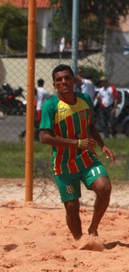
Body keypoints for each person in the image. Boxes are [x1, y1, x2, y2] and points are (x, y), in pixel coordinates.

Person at [39, 64, 115, 249]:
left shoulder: (85, 99)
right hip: (64, 164)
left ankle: (93, 229)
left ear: (74, 80)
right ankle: (80, 241)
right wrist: (76, 143)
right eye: (59, 79)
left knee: (104, 188)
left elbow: (90, 126)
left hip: (86, 158)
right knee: (72, 206)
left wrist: (102, 145)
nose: (63, 81)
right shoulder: (51, 106)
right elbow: (44, 137)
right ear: (55, 84)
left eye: (67, 77)